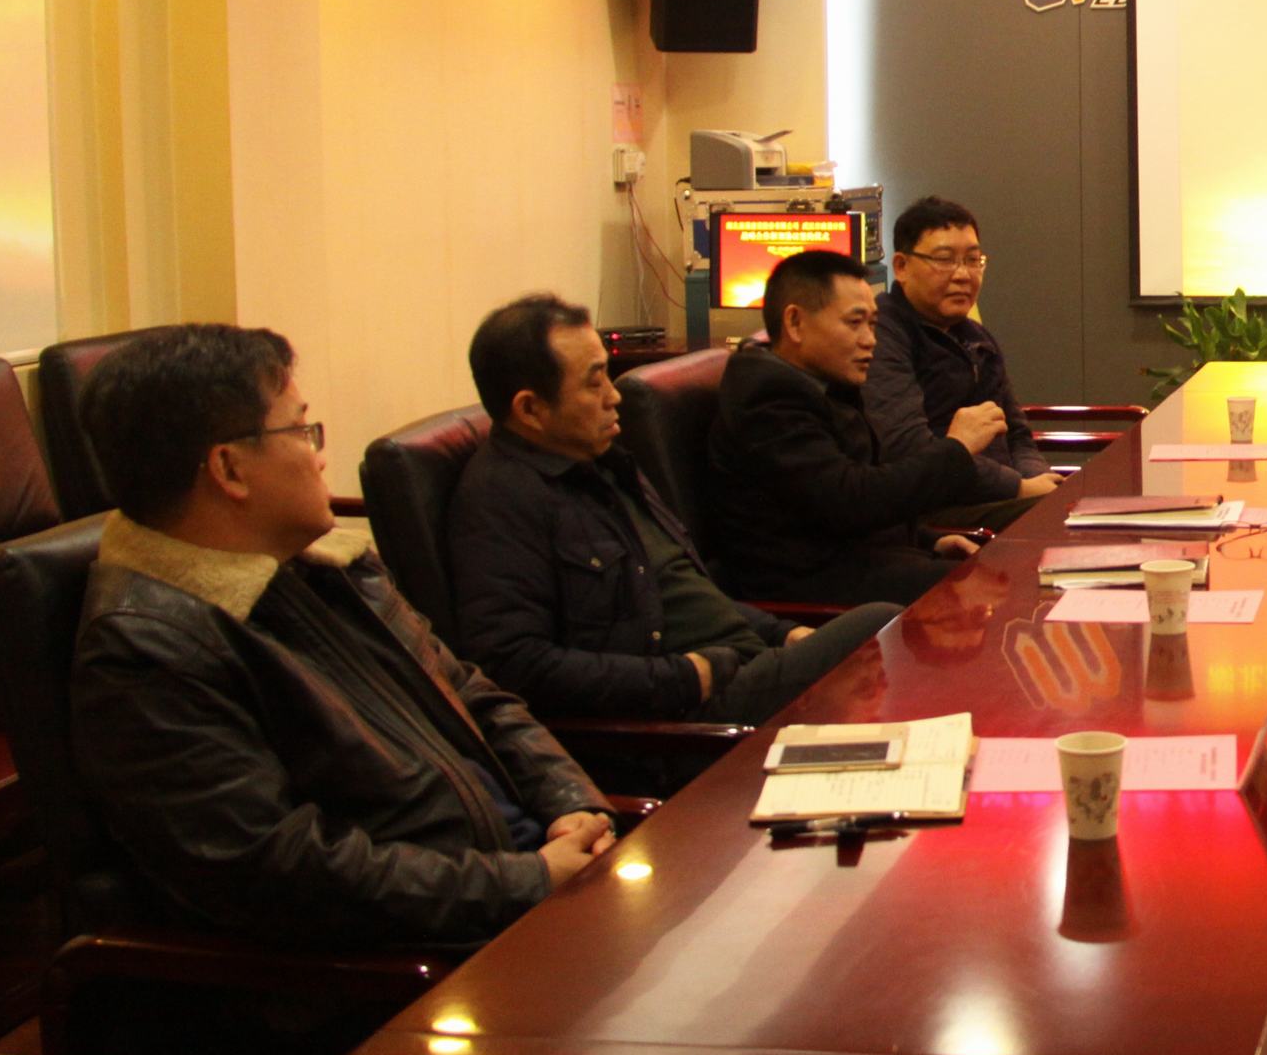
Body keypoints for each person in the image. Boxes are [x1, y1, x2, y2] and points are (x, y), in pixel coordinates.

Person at [68, 324, 614, 949]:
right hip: (443, 949)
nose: (320, 455)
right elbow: (280, 872)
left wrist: (571, 803)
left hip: (525, 882)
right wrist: (528, 881)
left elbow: (472, 694)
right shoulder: (148, 651)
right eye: (303, 431)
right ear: (229, 468)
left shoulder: (328, 566)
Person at [449, 294, 899, 727]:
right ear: (530, 409)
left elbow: (682, 589)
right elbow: (514, 665)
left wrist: (779, 632)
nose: (613, 396)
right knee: (881, 624)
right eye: (594, 382)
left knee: (884, 636)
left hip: (744, 662)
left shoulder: (602, 464)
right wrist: (683, 677)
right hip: (689, 714)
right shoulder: (502, 498)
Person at [709, 248, 997, 606]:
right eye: (854, 323)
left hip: (856, 563)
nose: (869, 340)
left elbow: (851, 501)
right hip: (808, 589)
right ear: (795, 323)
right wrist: (957, 448)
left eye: (872, 324)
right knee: (983, 587)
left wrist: (927, 540)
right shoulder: (768, 400)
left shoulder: (823, 385)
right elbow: (851, 501)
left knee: (992, 570)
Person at [868, 195, 1057, 527]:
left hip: (998, 497)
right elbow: (909, 447)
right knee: (1063, 520)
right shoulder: (881, 334)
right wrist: (1019, 488)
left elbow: (1016, 433)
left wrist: (1038, 479)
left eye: (973, 260)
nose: (963, 275)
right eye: (944, 260)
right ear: (901, 267)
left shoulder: (975, 336)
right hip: (933, 510)